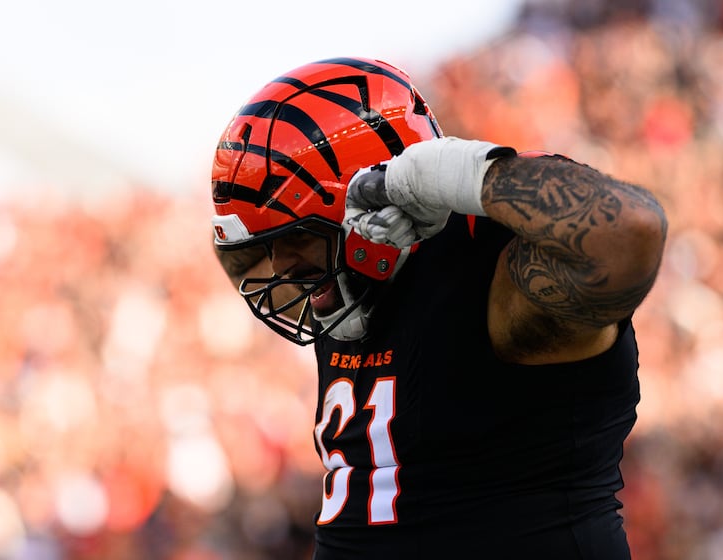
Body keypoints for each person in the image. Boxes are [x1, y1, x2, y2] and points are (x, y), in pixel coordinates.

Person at [209, 57, 667, 559]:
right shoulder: (349, 292)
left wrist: (469, 174)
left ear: (371, 199)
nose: (281, 264)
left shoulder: (485, 268)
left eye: (296, 237)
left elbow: (630, 233)